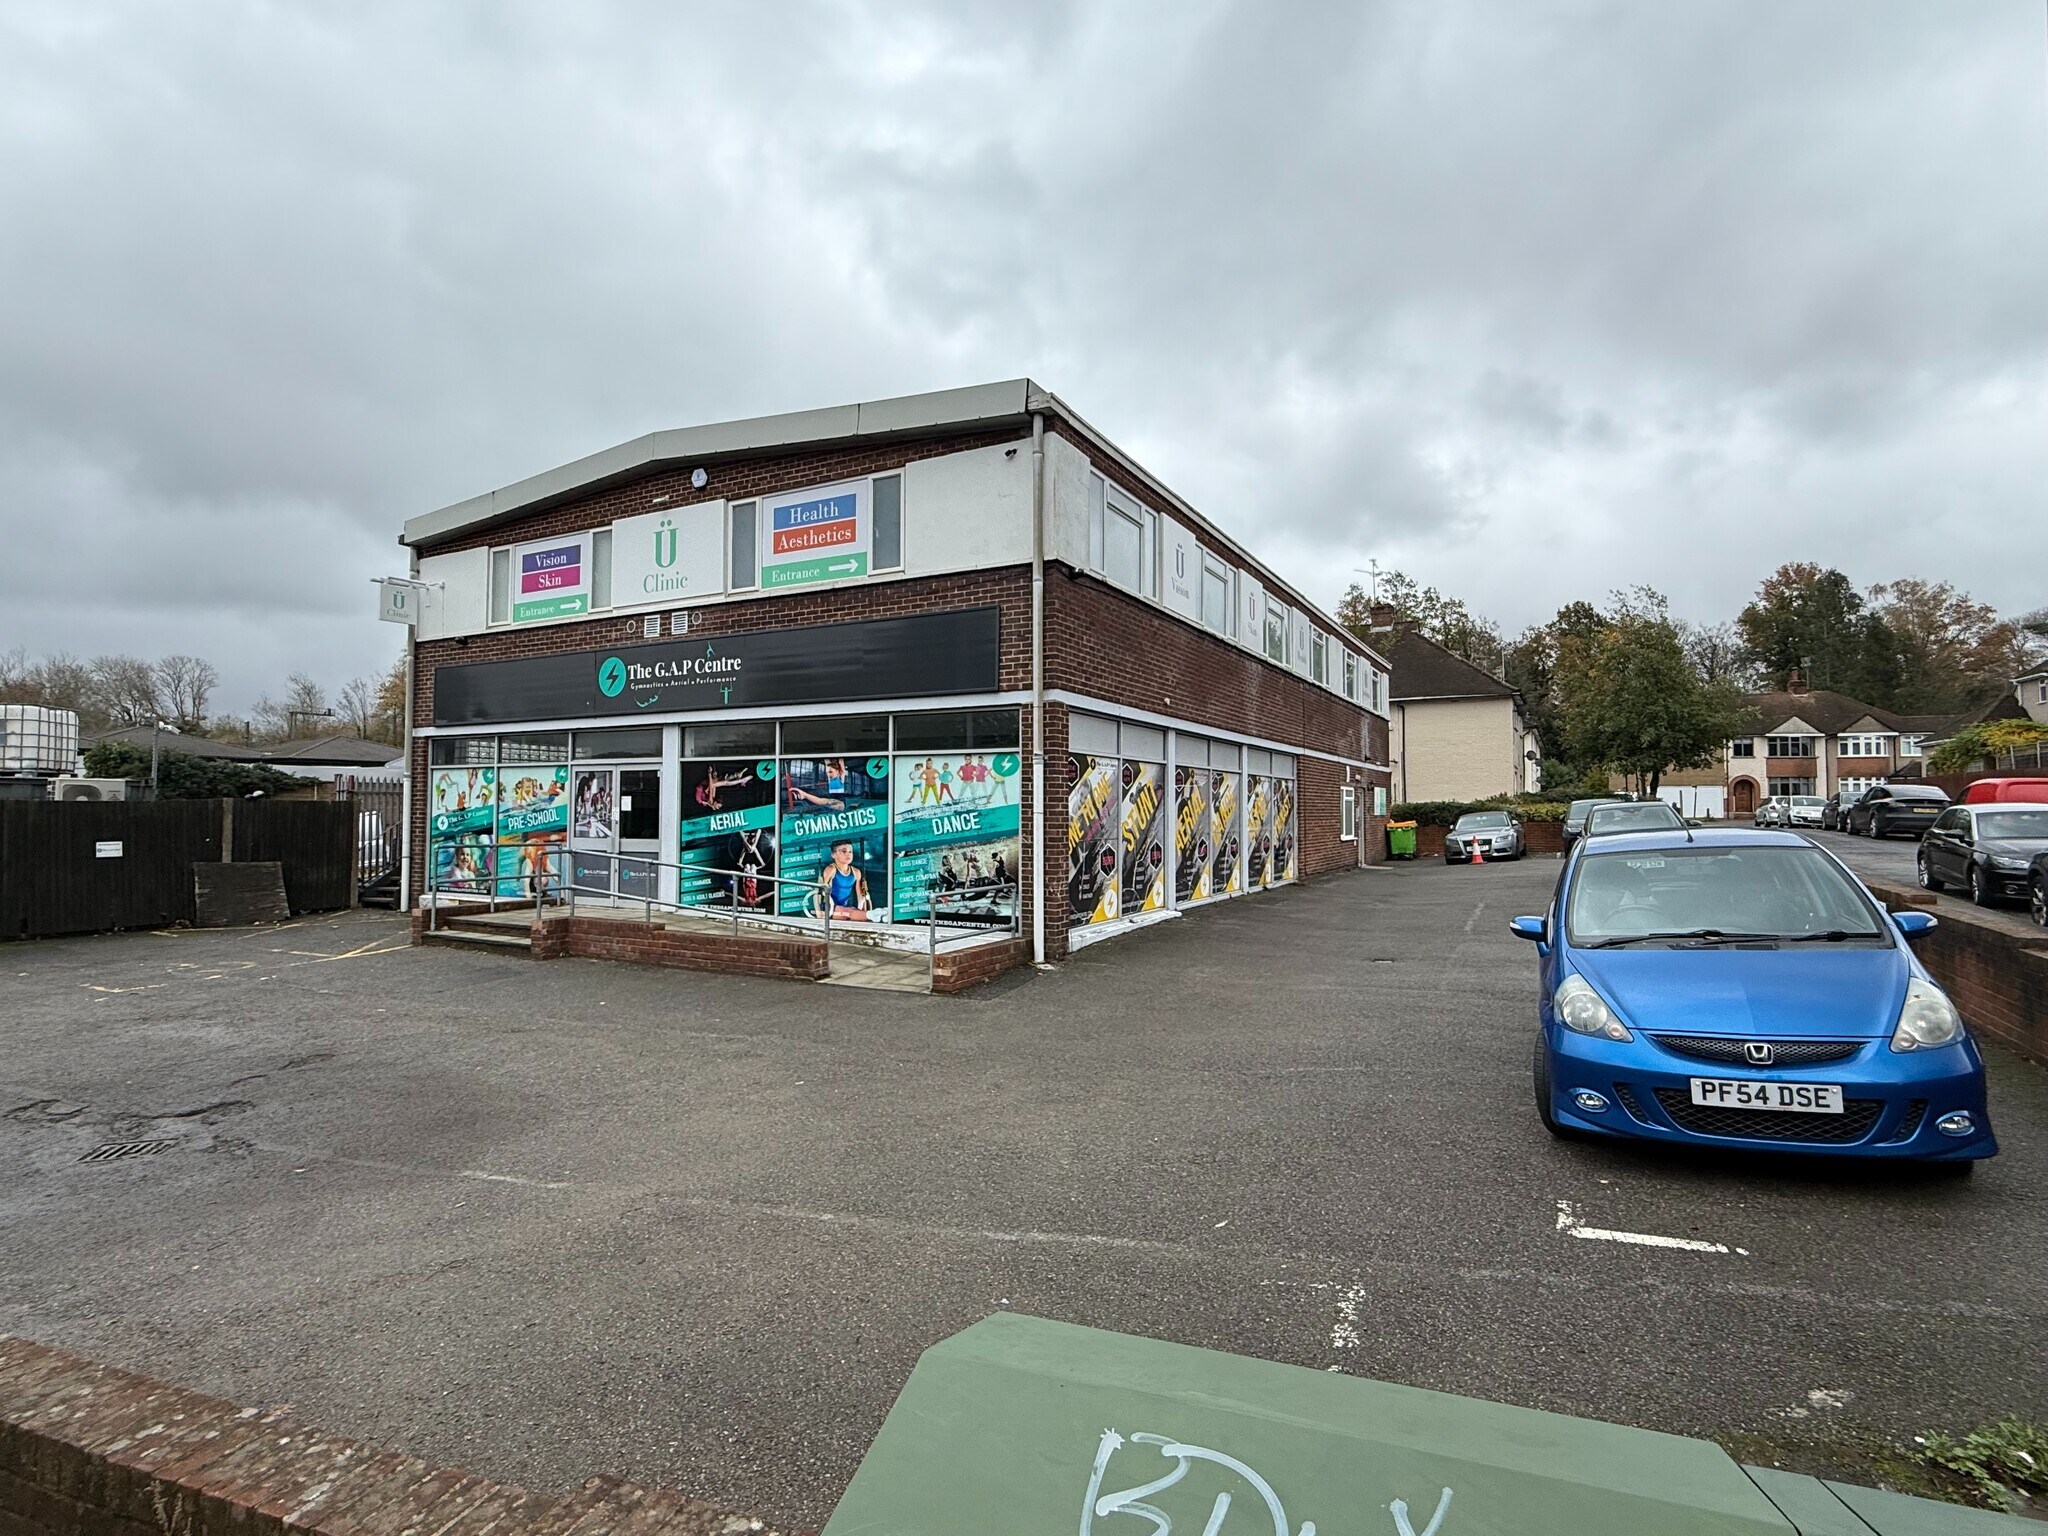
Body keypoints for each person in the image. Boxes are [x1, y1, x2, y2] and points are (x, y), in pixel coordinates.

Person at [818, 840, 873, 921]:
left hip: (846, 907)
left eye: (850, 852)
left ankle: (875, 915)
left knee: (853, 912)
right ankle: (874, 915)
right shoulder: (831, 870)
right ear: (833, 855)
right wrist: (821, 910)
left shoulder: (856, 872)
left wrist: (860, 910)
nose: (848, 854)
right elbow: (822, 891)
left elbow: (860, 896)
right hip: (831, 908)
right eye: (844, 851)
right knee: (850, 913)